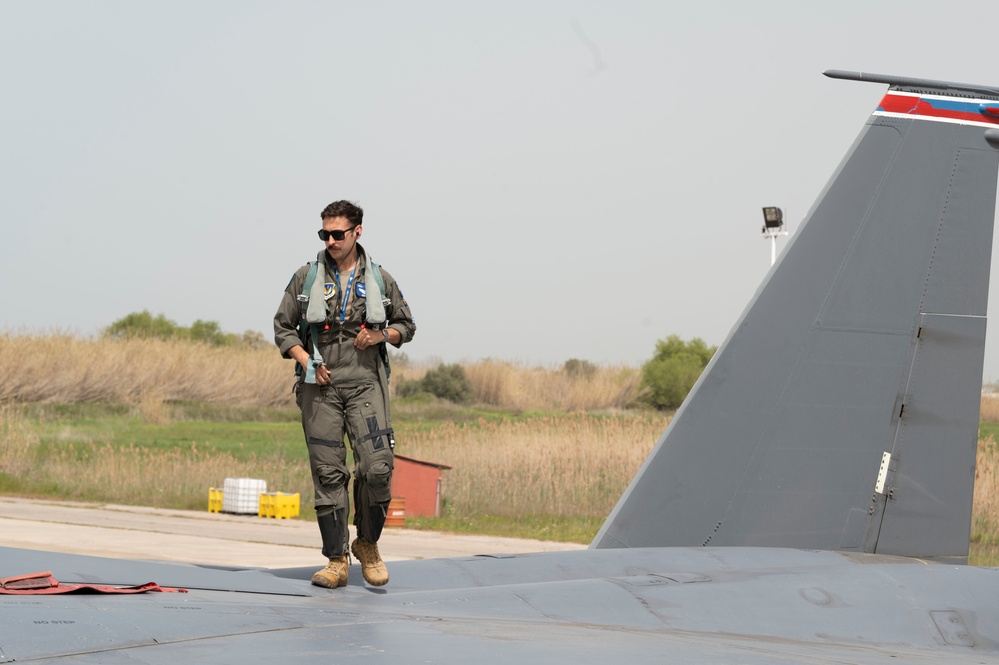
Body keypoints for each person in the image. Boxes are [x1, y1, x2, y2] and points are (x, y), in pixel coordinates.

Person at [273, 200, 416, 588]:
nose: (331, 240)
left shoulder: (381, 280)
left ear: (358, 232)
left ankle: (366, 543)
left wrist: (380, 335)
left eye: (338, 234)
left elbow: (407, 324)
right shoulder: (306, 277)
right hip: (319, 385)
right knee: (328, 473)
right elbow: (283, 329)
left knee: (377, 469)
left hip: (366, 382)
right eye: (325, 234)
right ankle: (336, 560)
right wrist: (306, 361)